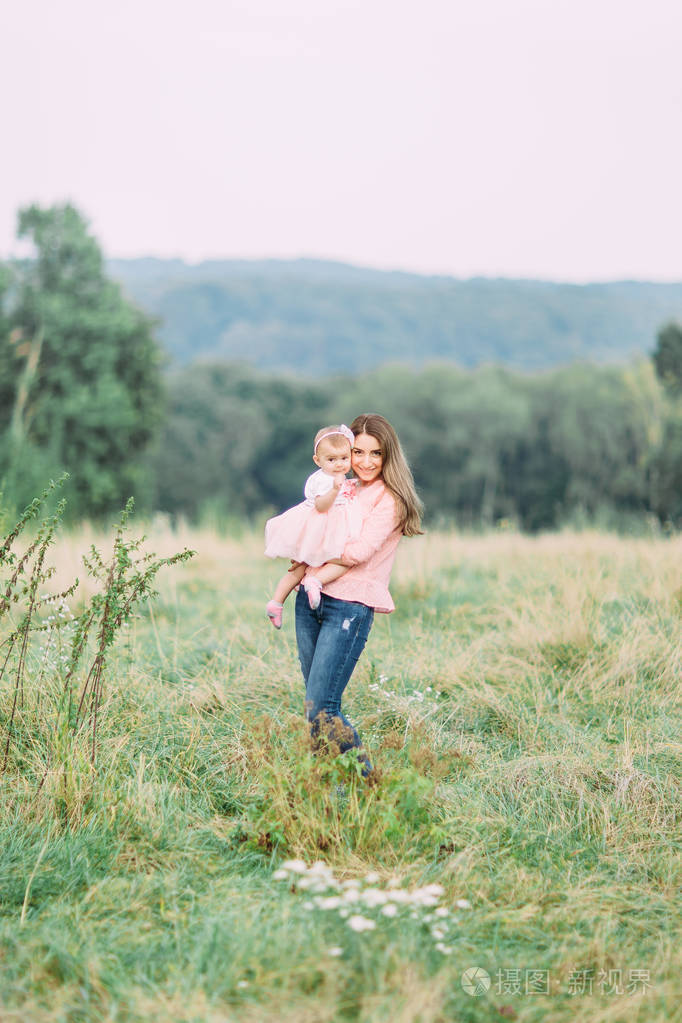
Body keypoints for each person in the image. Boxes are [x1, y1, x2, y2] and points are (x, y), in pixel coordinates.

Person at [294, 413, 423, 777]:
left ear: (388, 457)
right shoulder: (343, 488)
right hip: (310, 599)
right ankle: (329, 790)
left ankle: (369, 784)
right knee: (314, 709)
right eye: (357, 452)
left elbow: (358, 551)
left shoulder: (390, 499)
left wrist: (313, 550)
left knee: (324, 706)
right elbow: (311, 522)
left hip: (348, 608)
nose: (365, 462)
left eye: (375, 454)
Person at [264, 425, 362, 629]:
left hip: (327, 527)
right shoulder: (322, 480)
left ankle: (276, 603)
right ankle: (308, 585)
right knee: (337, 561)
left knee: (301, 567)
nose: (338, 464)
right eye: (331, 459)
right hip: (319, 528)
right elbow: (321, 506)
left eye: (344, 458)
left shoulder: (341, 478)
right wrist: (335, 490)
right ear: (318, 461)